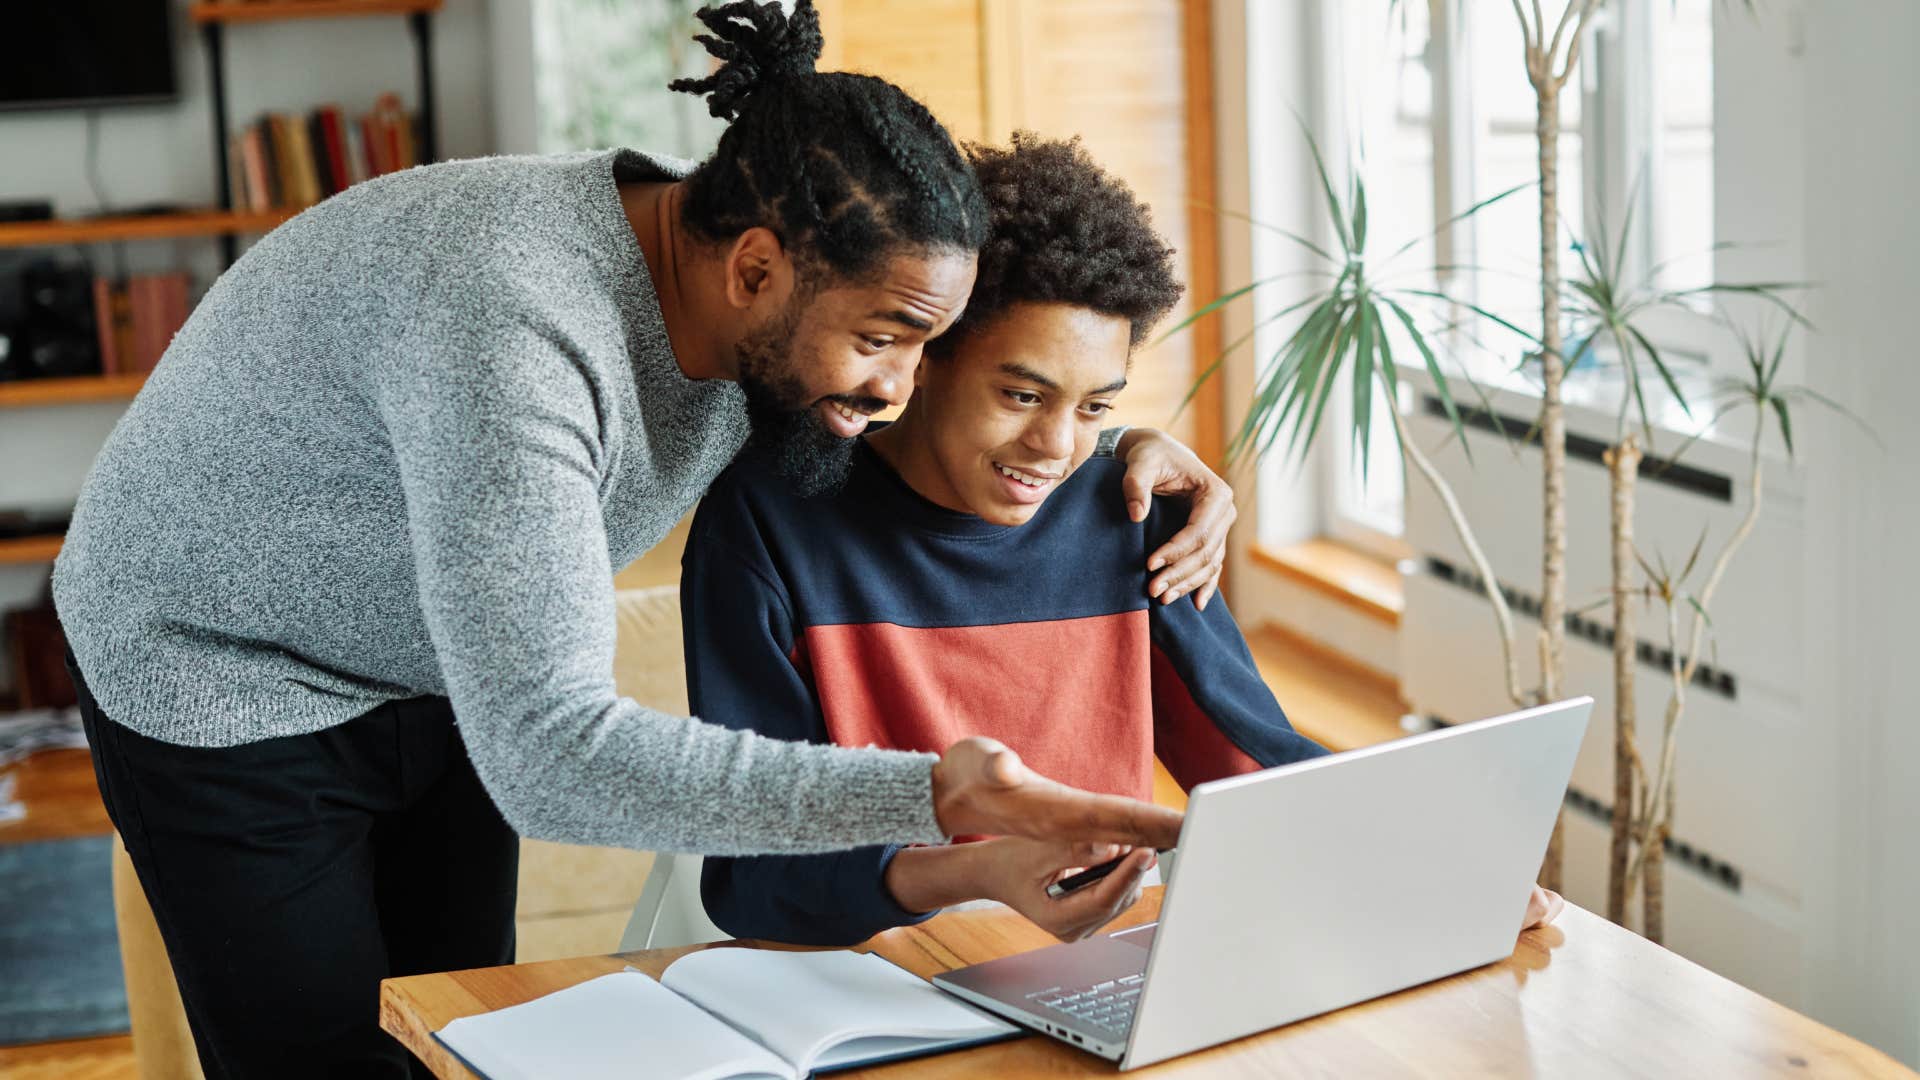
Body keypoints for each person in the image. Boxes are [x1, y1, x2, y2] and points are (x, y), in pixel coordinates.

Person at [49, 4, 1223, 1076]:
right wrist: (935, 795)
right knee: (324, 1063)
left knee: (454, 1026)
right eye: (888, 341)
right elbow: (551, 755)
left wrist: (1131, 459)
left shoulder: (771, 281)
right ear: (755, 267)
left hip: (439, 659)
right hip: (221, 662)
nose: (903, 389)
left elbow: (969, 428)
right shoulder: (517, 330)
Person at [685, 134, 1566, 947]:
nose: (1057, 447)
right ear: (928, 352)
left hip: (1091, 976)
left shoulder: (1135, 511)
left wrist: (1433, 865)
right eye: (1022, 397)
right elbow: (757, 880)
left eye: (1096, 408)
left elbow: (1252, 764)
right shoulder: (769, 525)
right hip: (866, 977)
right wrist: (977, 872)